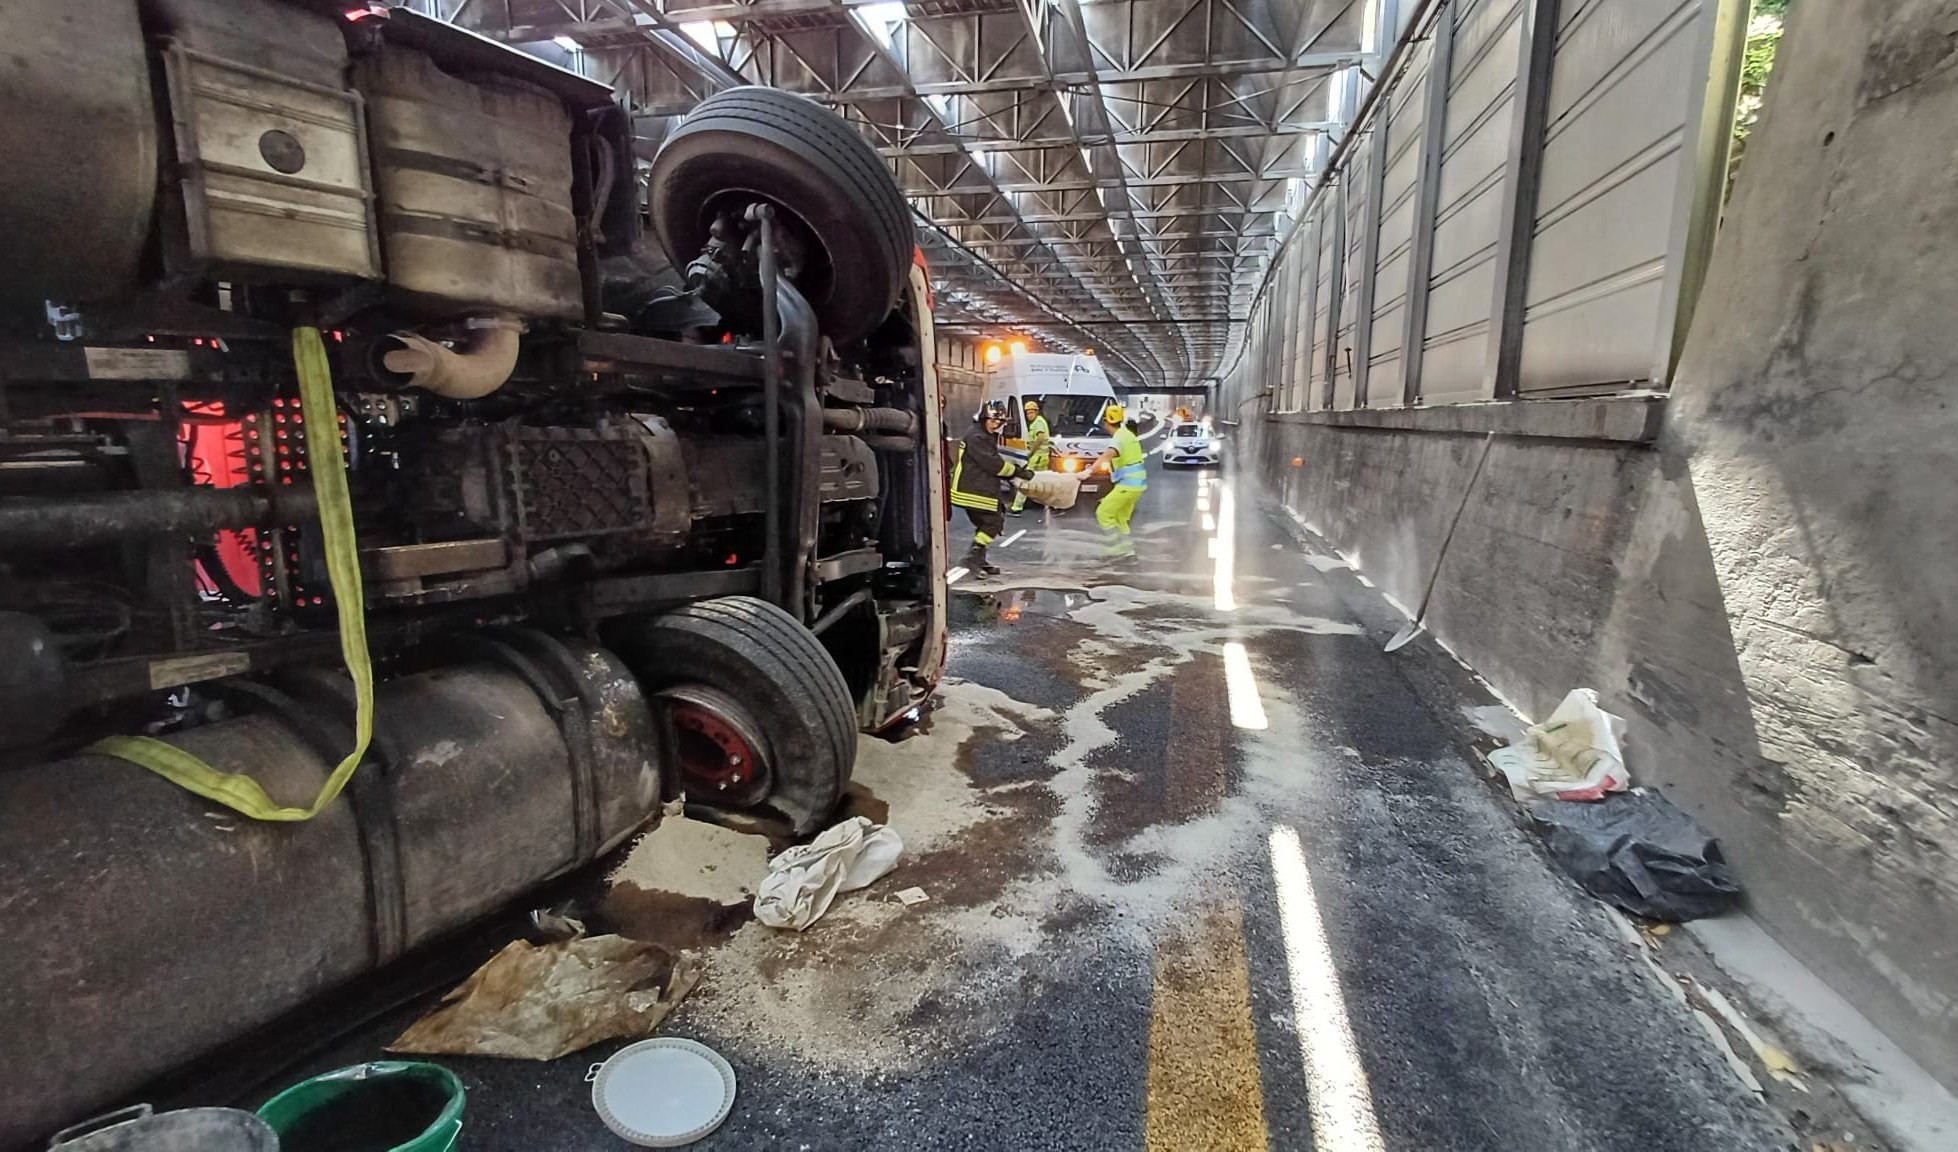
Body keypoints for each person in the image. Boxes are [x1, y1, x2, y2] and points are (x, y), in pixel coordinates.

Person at [950, 400, 1024, 575]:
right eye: (993, 420)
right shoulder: (977, 437)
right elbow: (993, 464)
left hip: (978, 487)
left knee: (985, 524)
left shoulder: (983, 434)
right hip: (973, 489)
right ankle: (972, 559)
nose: (996, 424)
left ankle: (979, 559)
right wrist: (1018, 472)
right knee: (992, 523)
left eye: (1000, 421)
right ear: (984, 418)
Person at [1090, 403, 1146, 561]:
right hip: (1137, 485)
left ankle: (1115, 551)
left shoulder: (1119, 438)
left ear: (1106, 422)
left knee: (1103, 513)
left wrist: (1088, 471)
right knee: (1121, 519)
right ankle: (1129, 553)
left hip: (1127, 485)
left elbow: (1107, 455)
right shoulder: (1128, 435)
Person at [1008, 397, 1050, 515]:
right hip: (1042, 457)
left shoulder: (1038, 422)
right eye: (1027, 413)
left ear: (1036, 412)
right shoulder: (1037, 422)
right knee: (1042, 481)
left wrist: (1031, 452)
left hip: (1037, 457)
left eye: (1031, 412)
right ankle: (1049, 505)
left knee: (1025, 481)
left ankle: (1016, 507)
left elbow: (1040, 438)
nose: (1029, 415)